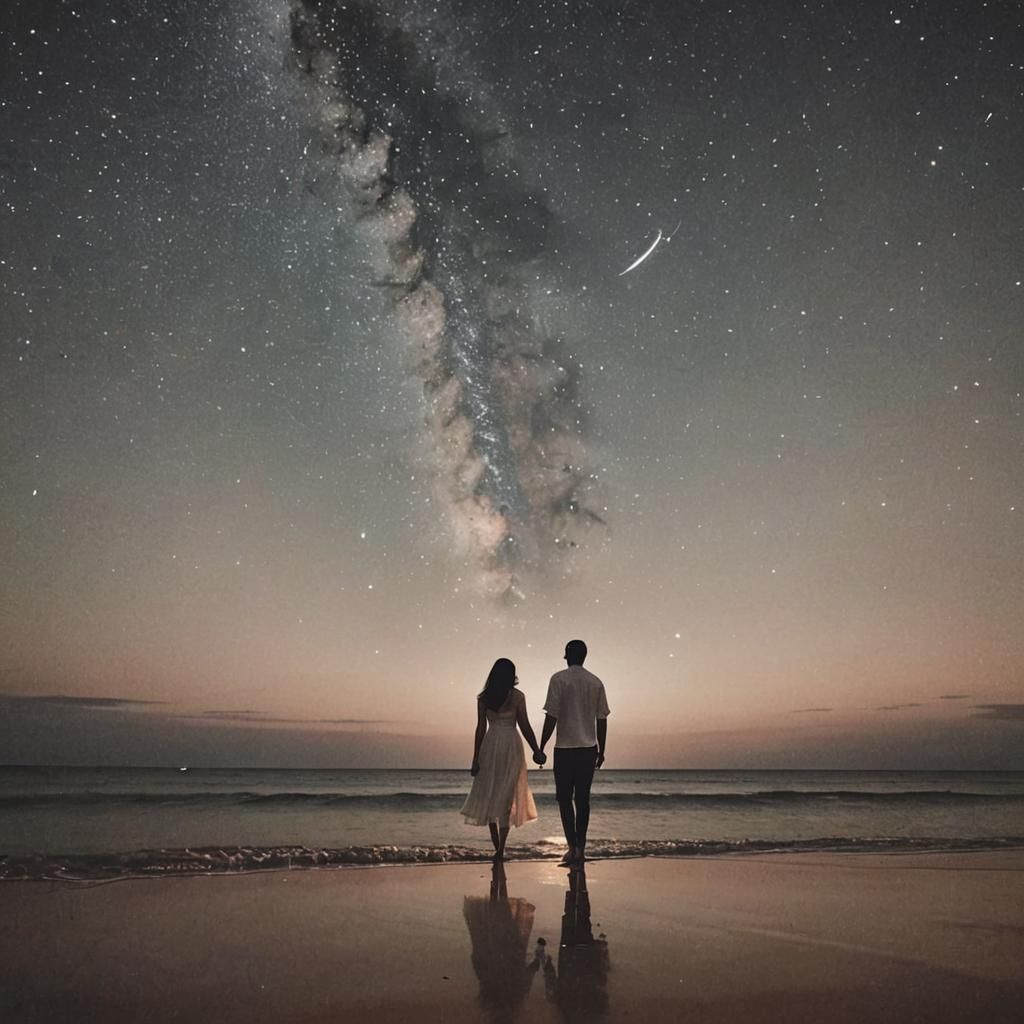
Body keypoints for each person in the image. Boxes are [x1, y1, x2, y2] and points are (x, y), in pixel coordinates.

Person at [461, 657, 544, 859]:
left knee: (491, 793)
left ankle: (498, 847)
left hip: (491, 745)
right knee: (505, 796)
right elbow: (524, 725)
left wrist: (475, 757)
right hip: (511, 746)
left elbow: (481, 728)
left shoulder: (484, 698)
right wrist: (536, 749)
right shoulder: (516, 696)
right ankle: (500, 848)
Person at [538, 640, 609, 866]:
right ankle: (580, 848)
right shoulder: (596, 682)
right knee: (583, 800)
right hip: (588, 748)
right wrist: (602, 749)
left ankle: (571, 848)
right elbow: (602, 719)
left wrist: (541, 745)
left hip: (565, 749)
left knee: (564, 799)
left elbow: (552, 716)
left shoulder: (558, 679)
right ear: (585, 656)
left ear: (567, 656)